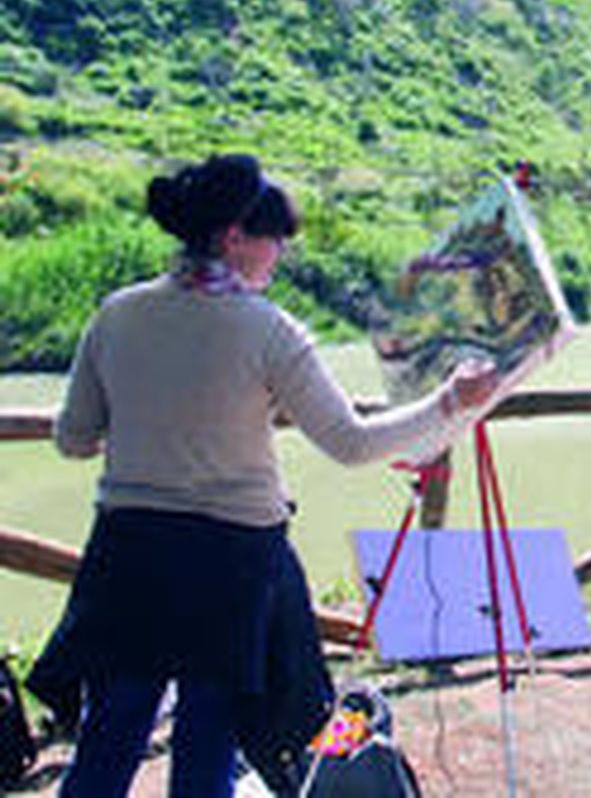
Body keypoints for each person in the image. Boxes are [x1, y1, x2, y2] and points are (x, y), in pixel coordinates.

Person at [27, 154, 500, 797]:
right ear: (234, 238)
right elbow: (352, 443)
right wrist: (448, 402)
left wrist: (151, 416)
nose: (279, 254)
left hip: (129, 554)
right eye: (274, 239)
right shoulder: (269, 331)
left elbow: (73, 439)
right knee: (207, 748)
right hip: (230, 564)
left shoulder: (116, 314)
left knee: (109, 740)